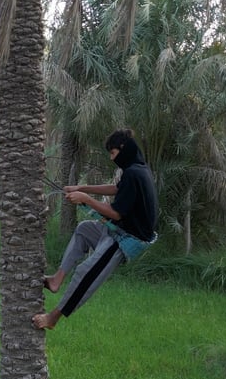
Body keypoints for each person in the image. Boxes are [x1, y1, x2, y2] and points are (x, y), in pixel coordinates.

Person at [32, 129, 158, 330]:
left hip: (124, 240)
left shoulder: (135, 172)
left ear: (124, 149)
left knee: (86, 272)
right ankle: (56, 280)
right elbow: (116, 189)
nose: (111, 158)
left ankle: (53, 317)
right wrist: (81, 189)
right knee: (83, 229)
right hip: (117, 231)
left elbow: (116, 213)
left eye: (113, 153)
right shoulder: (136, 168)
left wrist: (86, 200)